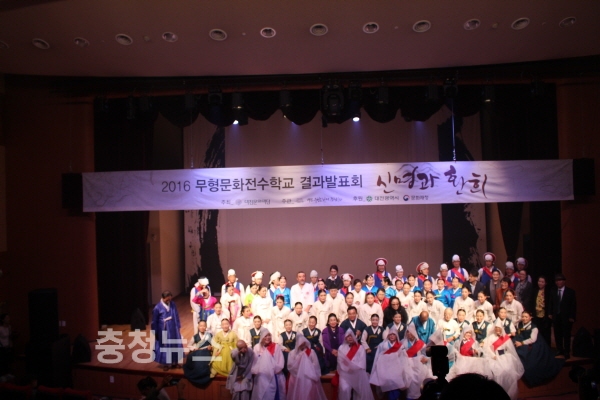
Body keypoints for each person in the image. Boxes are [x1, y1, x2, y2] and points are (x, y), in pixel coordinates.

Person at [513, 311, 564, 386]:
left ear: (530, 318)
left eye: (526, 317)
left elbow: (532, 339)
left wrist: (521, 343)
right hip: (522, 341)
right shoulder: (520, 324)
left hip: (532, 344)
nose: (524, 318)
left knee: (527, 357)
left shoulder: (534, 328)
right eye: (523, 317)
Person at [483, 322, 524, 400]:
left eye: (499, 328)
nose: (497, 330)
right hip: (494, 357)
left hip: (505, 357)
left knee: (510, 372)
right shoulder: (491, 337)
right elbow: (487, 348)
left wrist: (505, 355)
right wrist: (493, 355)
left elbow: (510, 349)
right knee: (498, 372)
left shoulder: (506, 338)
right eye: (496, 328)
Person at [369, 329, 407, 400]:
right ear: (388, 336)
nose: (392, 336)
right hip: (385, 369)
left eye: (394, 334)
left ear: (396, 336)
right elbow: (377, 357)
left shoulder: (400, 346)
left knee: (396, 383)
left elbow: (403, 358)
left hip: (396, 369)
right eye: (390, 335)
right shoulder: (382, 345)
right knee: (388, 382)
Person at [287, 334, 327, 400]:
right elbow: (290, 366)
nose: (302, 344)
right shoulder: (292, 353)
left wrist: (307, 369)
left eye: (303, 342)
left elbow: (315, 364)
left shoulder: (311, 352)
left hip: (309, 377)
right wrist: (300, 372)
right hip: (296, 377)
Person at [337, 329, 374, 400]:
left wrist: (354, 369)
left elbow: (362, 362)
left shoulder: (360, 347)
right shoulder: (341, 348)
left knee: (360, 391)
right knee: (344, 389)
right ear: (345, 338)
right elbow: (340, 361)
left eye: (351, 336)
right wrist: (348, 369)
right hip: (345, 373)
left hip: (358, 373)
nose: (350, 338)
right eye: (348, 336)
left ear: (354, 337)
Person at [152, 291, 183, 370]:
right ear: (163, 298)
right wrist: (155, 332)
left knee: (174, 344)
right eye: (167, 299)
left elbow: (176, 314)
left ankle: (175, 362)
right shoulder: (157, 307)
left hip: (173, 327)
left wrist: (178, 325)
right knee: (165, 346)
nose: (169, 301)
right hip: (163, 328)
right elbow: (154, 321)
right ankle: (165, 363)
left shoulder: (172, 304)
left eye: (170, 299)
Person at [400, 324, 432, 400]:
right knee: (409, 382)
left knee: (419, 381)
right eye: (407, 332)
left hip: (418, 366)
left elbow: (426, 355)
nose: (409, 334)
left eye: (410, 332)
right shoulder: (402, 343)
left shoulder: (421, 343)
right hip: (407, 365)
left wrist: (426, 359)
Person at [251, 330, 286, 400]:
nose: (268, 337)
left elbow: (280, 361)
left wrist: (272, 370)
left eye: (269, 335)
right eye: (265, 336)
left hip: (274, 376)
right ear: (262, 337)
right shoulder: (257, 347)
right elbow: (254, 362)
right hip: (261, 377)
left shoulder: (276, 347)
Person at [550, 273, 576, 359]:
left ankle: (567, 351)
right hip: (556, 316)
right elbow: (551, 303)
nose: (558, 282)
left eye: (560, 280)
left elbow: (573, 305)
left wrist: (572, 316)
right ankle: (559, 350)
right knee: (557, 334)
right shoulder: (553, 291)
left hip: (566, 317)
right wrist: (550, 313)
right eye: (557, 281)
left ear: (564, 281)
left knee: (566, 335)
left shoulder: (570, 292)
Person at [184, 320, 213, 386]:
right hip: (197, 352)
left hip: (206, 352)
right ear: (198, 327)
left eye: (204, 326)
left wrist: (211, 347)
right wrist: (194, 348)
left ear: (206, 327)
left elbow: (213, 345)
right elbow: (189, 345)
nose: (202, 327)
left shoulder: (210, 335)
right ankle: (197, 375)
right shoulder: (195, 336)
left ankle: (203, 376)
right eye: (201, 326)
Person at [532, 275, 553, 346]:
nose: (540, 283)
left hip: (545, 315)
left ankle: (547, 348)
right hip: (536, 315)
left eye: (542, 282)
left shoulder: (549, 292)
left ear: (545, 283)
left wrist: (550, 313)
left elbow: (550, 303)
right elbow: (532, 302)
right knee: (537, 332)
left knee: (546, 333)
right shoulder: (535, 290)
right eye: (539, 281)